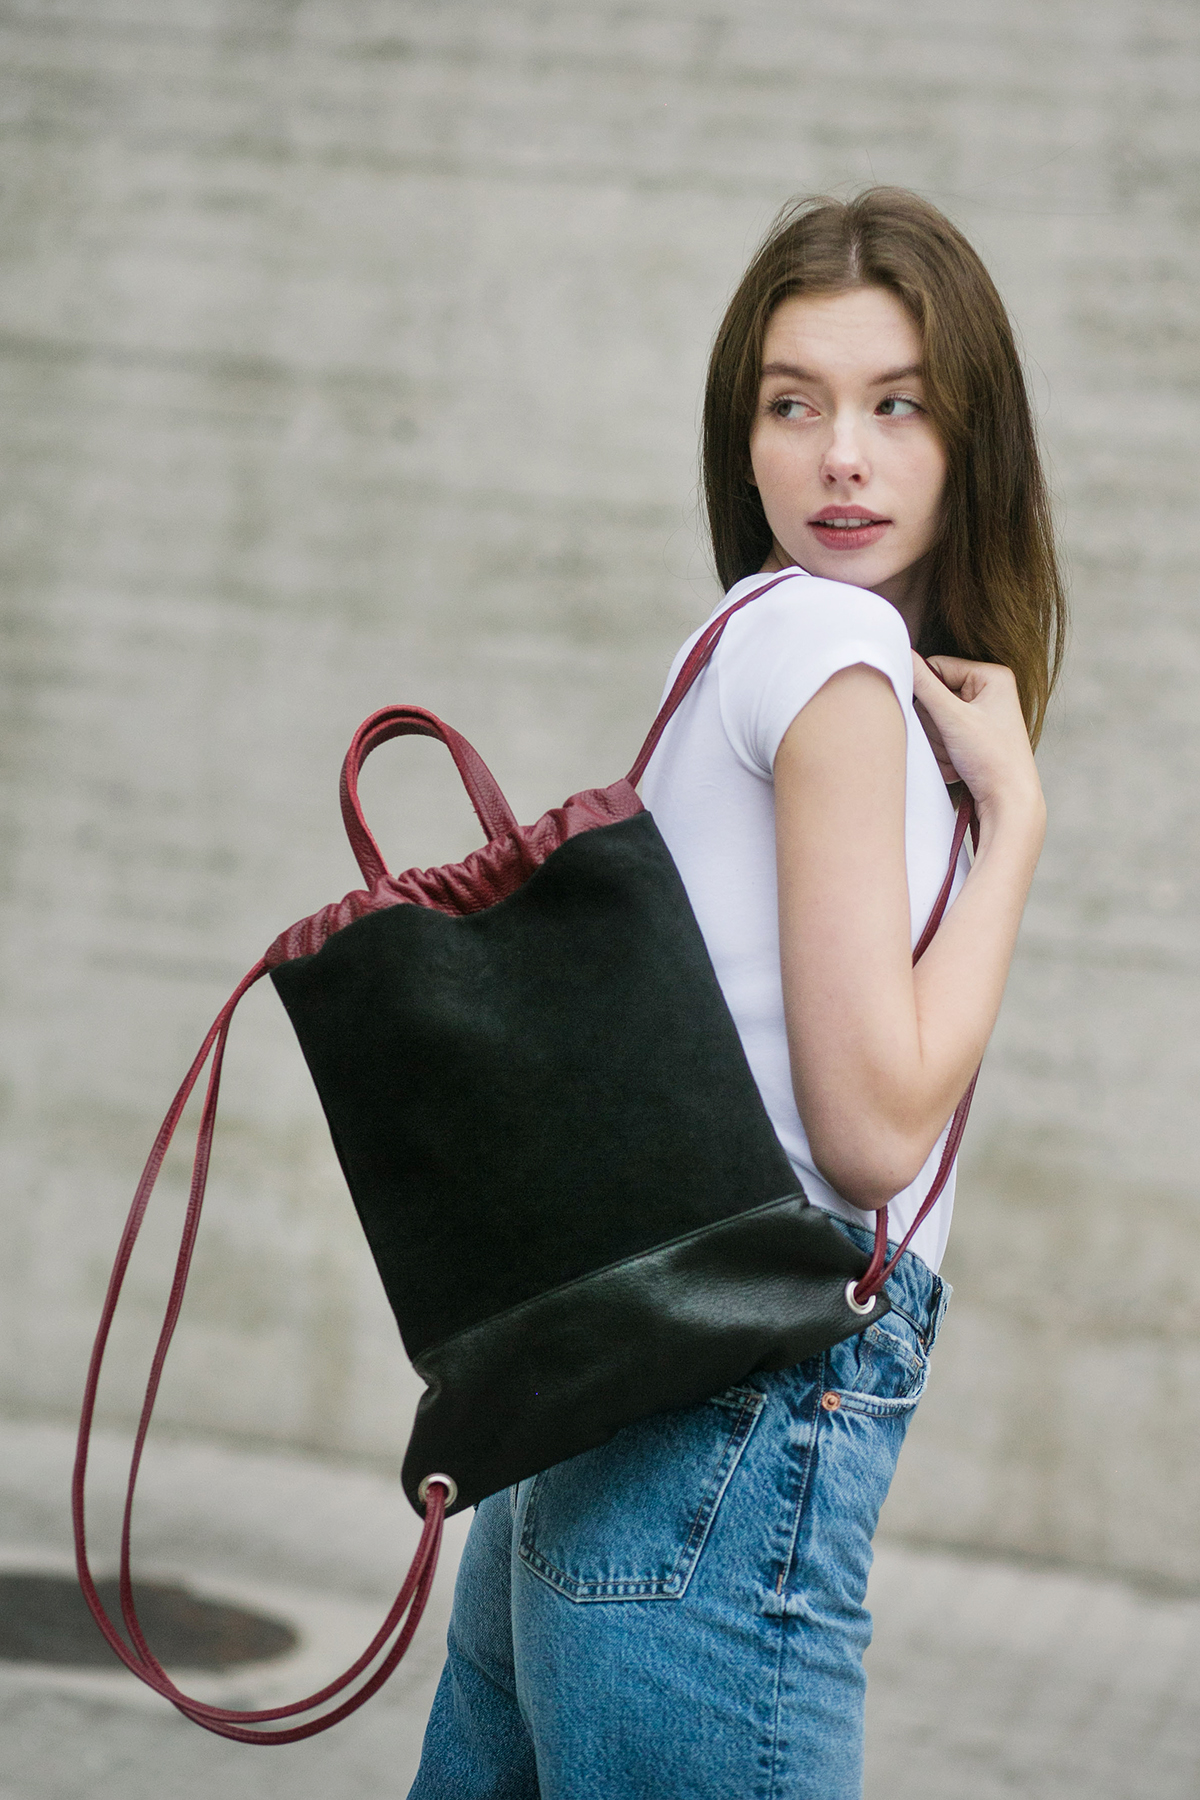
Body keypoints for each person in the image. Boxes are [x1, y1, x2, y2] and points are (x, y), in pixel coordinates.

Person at [408, 188, 1065, 1800]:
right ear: (745, 434)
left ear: (970, 439)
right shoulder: (837, 655)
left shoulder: (744, 636)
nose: (842, 453)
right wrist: (1023, 830)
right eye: (795, 403)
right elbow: (866, 1131)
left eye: (897, 404)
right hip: (739, 1416)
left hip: (605, 1421)